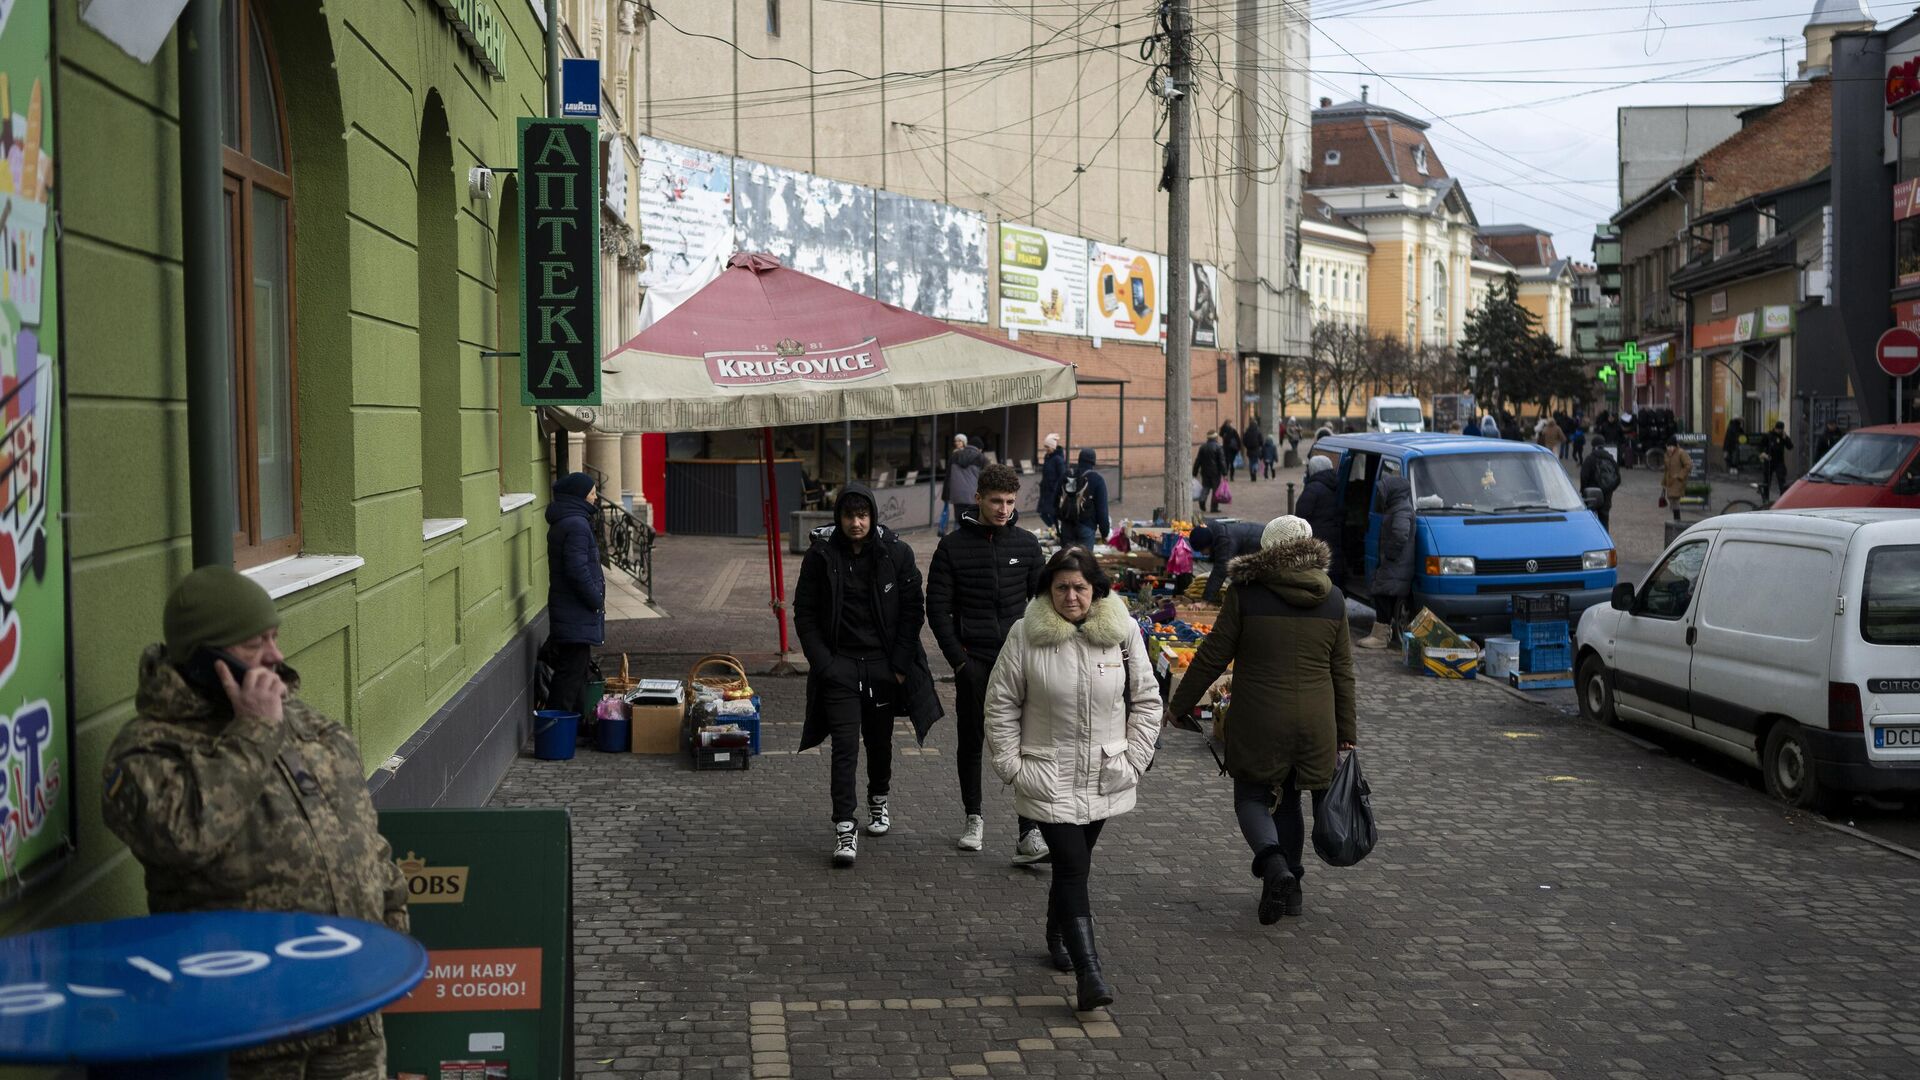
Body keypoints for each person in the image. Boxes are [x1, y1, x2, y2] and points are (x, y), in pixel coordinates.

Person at [103, 567, 410, 1079]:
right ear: (204, 658)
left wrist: (393, 928)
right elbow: (184, 838)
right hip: (248, 1031)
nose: (276, 657)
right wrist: (251, 734)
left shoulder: (307, 724)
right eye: (253, 646)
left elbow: (360, 834)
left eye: (274, 637)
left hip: (349, 1013)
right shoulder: (149, 749)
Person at [984, 548, 1160, 1011]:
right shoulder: (1025, 635)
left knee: (1073, 868)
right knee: (1071, 867)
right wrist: (1012, 767)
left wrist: (1136, 759)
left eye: (1080, 586)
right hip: (1047, 776)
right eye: (1061, 586)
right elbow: (1000, 703)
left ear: (1096, 589)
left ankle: (1056, 932)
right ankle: (1090, 972)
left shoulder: (1122, 635)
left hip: (1106, 774)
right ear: (1047, 590)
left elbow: (1146, 700)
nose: (1070, 595)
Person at [1166, 516, 1357, 924]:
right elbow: (1342, 671)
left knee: (1253, 797)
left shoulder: (1246, 593)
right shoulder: (1334, 597)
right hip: (1316, 722)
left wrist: (1178, 705)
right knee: (1290, 801)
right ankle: (1294, 892)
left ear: (1266, 551)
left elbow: (1214, 654)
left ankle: (1274, 867)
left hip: (1259, 718)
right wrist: (1347, 733)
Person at [794, 484, 943, 865]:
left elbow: (913, 610)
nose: (856, 523)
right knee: (844, 747)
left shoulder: (896, 553)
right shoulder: (820, 556)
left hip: (882, 667)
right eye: (849, 516)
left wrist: (897, 666)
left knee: (879, 742)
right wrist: (824, 664)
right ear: (839, 518)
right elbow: (805, 612)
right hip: (839, 667)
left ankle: (879, 799)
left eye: (863, 516)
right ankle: (845, 828)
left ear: (873, 517)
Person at [927, 464, 1051, 865]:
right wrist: (959, 661)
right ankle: (973, 817)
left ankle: (1028, 830)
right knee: (972, 740)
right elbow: (937, 608)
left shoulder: (1028, 545)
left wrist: (1038, 651)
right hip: (974, 660)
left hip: (1019, 660)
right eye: (996, 500)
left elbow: (1043, 605)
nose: (1003, 508)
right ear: (978, 498)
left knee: (1027, 744)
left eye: (1010, 502)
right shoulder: (952, 547)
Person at [542, 471, 606, 730]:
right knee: (569, 674)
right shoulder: (577, 525)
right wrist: (595, 599)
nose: (595, 497)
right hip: (576, 610)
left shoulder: (568, 521)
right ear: (579, 495)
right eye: (591, 492)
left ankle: (577, 725)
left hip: (570, 610)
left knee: (576, 670)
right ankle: (556, 728)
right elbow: (577, 570)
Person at [1357, 476, 1415, 649]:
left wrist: (1390, 554)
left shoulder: (1401, 510)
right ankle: (1381, 633)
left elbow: (1400, 534)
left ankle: (1381, 636)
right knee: (1381, 592)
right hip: (1394, 563)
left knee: (1382, 593)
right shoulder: (1397, 507)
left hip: (1396, 563)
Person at [1187, 519, 1267, 604]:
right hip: (1254, 540)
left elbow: (1220, 571)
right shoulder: (1212, 531)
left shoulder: (1225, 542)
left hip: (1263, 545)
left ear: (1208, 545)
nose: (1202, 554)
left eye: (1201, 550)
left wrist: (1205, 601)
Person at [1292, 455, 1344, 586]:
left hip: (1316, 536)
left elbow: (1301, 515)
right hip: (1334, 535)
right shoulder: (1335, 484)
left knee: (1318, 574)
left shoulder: (1313, 488)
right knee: (1332, 571)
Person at [1056, 448, 1111, 548]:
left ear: (1079, 460)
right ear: (1093, 462)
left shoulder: (1068, 476)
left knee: (1067, 560)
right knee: (1084, 561)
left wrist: (1060, 523)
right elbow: (1102, 511)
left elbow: (1055, 501)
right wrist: (1105, 533)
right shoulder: (1097, 480)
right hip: (1086, 526)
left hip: (1067, 526)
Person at [940, 434, 985, 537]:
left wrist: (946, 495)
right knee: (972, 520)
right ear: (979, 448)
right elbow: (984, 479)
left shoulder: (954, 455)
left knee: (958, 520)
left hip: (957, 495)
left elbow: (948, 477)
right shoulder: (981, 458)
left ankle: (955, 542)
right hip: (973, 496)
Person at [1581, 435, 1617, 532]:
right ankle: (1605, 540)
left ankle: (1592, 539)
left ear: (1593, 445)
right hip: (1607, 495)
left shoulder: (1590, 458)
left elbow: (1584, 476)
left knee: (1590, 519)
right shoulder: (1611, 458)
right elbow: (1618, 478)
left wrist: (1583, 490)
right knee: (1604, 519)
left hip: (1592, 494)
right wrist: (1609, 489)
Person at [1192, 431, 1226, 514]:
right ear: (1215, 437)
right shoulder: (1218, 447)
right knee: (1215, 490)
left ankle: (1202, 500)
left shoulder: (1203, 447)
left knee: (1205, 487)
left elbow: (1198, 460)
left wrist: (1195, 472)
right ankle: (1214, 508)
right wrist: (1224, 473)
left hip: (1205, 472)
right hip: (1215, 472)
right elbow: (1222, 461)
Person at [1038, 433, 1067, 530]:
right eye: (1045, 446)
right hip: (1045, 490)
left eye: (1047, 447)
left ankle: (1055, 528)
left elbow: (1062, 475)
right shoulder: (1047, 458)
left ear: (1052, 447)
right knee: (1042, 512)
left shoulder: (1058, 460)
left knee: (1051, 512)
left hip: (1053, 491)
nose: (1046, 449)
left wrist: (1056, 488)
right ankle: (1053, 527)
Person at [1758, 421, 1794, 501]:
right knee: (1767, 481)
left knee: (1782, 480)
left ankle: (1783, 499)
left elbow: (1790, 447)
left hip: (1779, 461)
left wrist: (1786, 438)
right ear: (1775, 428)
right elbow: (1760, 446)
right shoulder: (1768, 435)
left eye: (1781, 430)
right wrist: (1763, 454)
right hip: (1769, 460)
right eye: (1778, 429)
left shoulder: (1783, 436)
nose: (1779, 431)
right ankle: (1766, 499)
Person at [1661, 435, 1692, 522]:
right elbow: (1666, 470)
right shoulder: (1666, 455)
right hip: (1670, 481)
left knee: (1675, 500)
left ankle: (1677, 520)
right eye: (1668, 446)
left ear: (1675, 446)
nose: (1670, 448)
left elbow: (1688, 465)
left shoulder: (1681, 453)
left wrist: (1680, 475)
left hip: (1678, 481)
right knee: (1672, 501)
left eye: (1672, 446)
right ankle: (1676, 519)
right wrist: (1663, 483)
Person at [1241, 420, 1265, 485]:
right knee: (1255, 462)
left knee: (1251, 462)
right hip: (1256, 449)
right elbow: (1261, 441)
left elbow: (1244, 441)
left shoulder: (1247, 432)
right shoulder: (1258, 432)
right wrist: (1260, 446)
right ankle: (1254, 472)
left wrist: (1247, 446)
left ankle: (1252, 474)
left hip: (1249, 450)